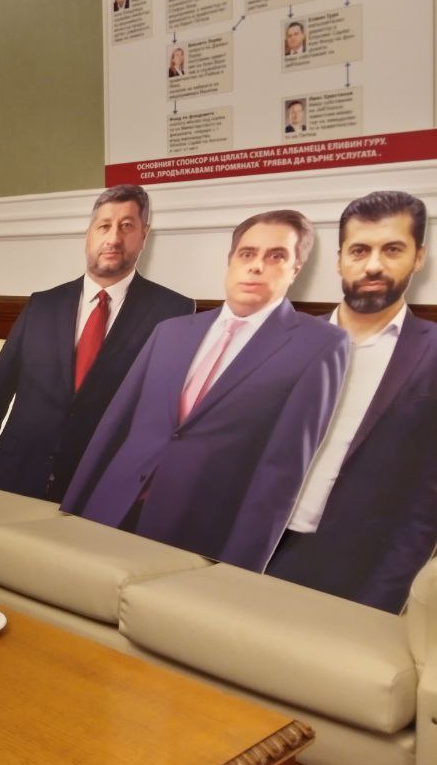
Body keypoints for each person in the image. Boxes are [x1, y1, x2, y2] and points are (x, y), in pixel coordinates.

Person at [62, 210, 349, 571]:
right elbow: (114, 426)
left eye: (276, 256)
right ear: (231, 261)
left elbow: (281, 475)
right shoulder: (171, 331)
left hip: (197, 534)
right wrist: (72, 509)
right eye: (247, 253)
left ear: (296, 269)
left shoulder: (319, 345)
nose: (256, 266)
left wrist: (238, 572)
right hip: (108, 508)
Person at [0, 186, 193, 501]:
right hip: (14, 479)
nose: (113, 238)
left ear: (144, 235)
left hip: (100, 490)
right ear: (88, 235)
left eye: (127, 226)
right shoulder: (41, 305)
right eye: (104, 226)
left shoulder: (172, 310)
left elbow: (164, 415)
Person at [266, 192, 437, 612]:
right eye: (359, 250)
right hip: (253, 549)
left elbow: (425, 509)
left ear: (418, 257)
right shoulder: (282, 341)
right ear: (340, 259)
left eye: (392, 249)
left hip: (349, 576)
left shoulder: (433, 354)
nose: (373, 265)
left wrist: (380, 602)